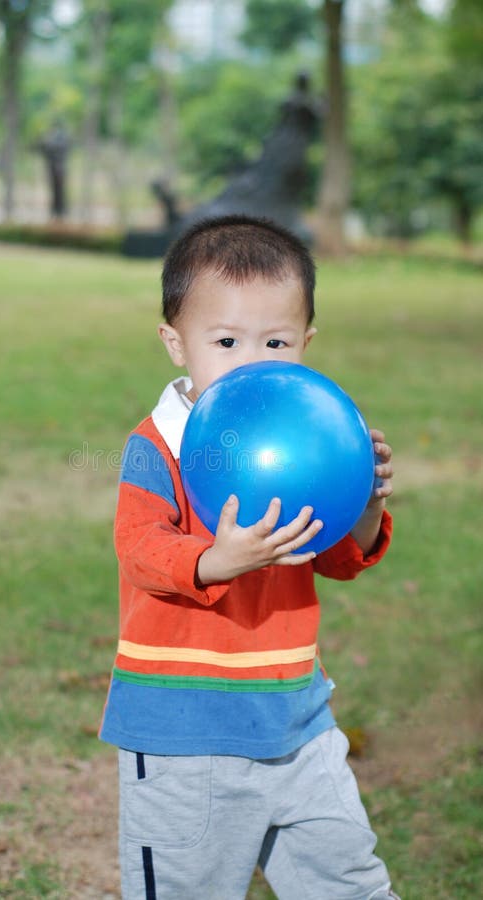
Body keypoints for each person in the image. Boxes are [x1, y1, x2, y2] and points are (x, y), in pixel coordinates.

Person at [99, 214, 398, 900]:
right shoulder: (161, 445)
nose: (252, 361)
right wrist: (213, 560)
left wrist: (366, 499)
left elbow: (338, 557)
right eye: (226, 340)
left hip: (297, 721)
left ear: (307, 344)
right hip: (184, 736)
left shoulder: (310, 436)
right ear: (177, 343)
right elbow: (140, 549)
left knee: (349, 882)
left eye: (277, 341)